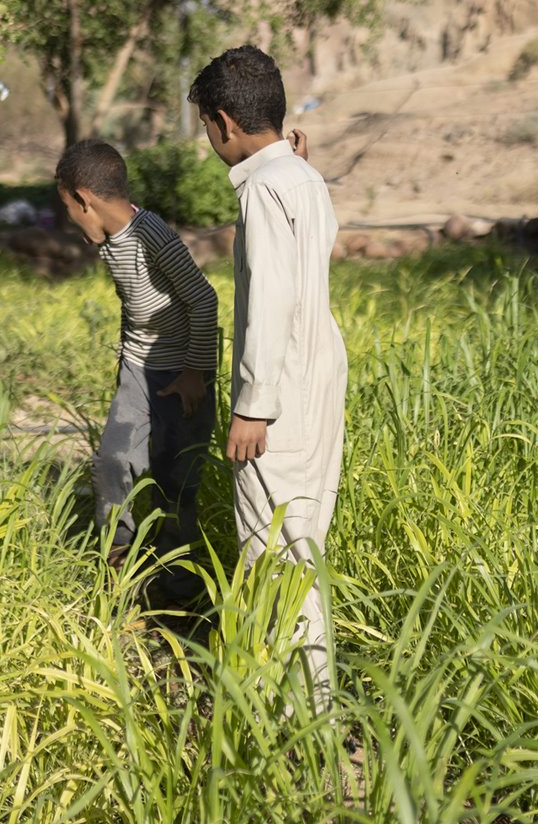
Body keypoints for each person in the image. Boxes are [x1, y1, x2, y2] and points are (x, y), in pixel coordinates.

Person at [189, 45, 345, 707]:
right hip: (317, 385)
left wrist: (252, 405)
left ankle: (300, 718)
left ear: (224, 122)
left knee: (274, 557)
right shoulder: (301, 180)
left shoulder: (262, 190)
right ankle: (308, 708)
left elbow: (273, 300)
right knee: (300, 545)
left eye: (205, 127)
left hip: (280, 399)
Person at [55, 139, 219, 602]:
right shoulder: (108, 238)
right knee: (111, 464)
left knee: (175, 482)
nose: (70, 218)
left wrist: (194, 371)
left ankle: (178, 594)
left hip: (182, 374)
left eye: (69, 206)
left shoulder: (154, 237)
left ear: (84, 198)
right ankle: (119, 572)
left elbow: (204, 300)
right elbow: (135, 304)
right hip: (137, 369)